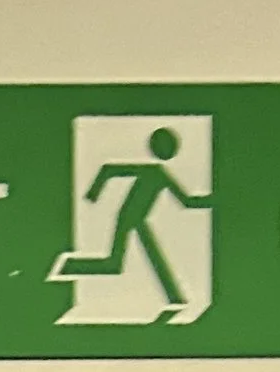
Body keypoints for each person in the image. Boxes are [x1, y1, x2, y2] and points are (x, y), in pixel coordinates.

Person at [50, 126, 211, 313]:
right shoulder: (154, 172)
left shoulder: (161, 174)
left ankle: (70, 266)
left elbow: (186, 201)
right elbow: (109, 169)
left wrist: (213, 201)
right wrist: (94, 192)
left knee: (115, 263)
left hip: (137, 219)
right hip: (129, 218)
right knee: (122, 261)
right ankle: (174, 296)